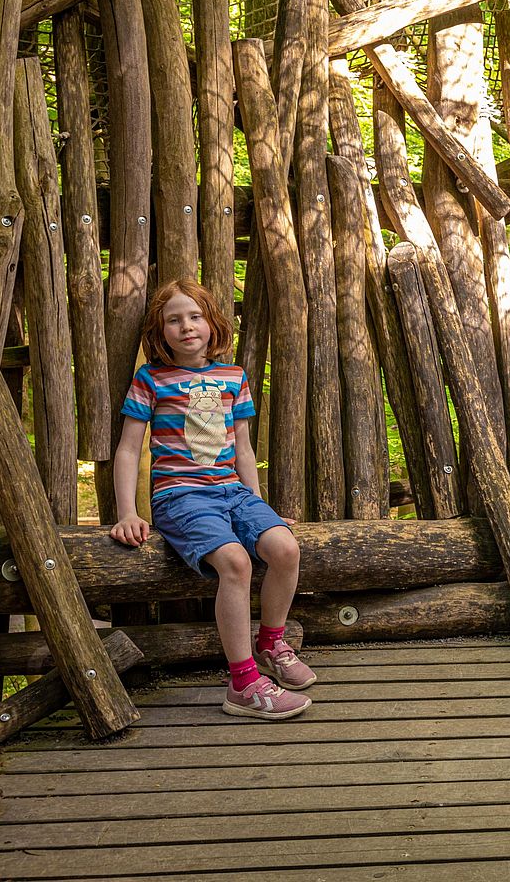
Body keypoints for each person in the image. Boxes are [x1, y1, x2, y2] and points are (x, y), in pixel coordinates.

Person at [108, 279, 315, 720]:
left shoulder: (233, 377)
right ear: (160, 332)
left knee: (285, 549)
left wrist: (259, 510)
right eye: (174, 320)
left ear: (212, 324)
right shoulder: (151, 380)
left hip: (232, 492)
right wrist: (128, 512)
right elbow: (128, 449)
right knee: (236, 563)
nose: (186, 326)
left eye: (195, 316)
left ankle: (271, 644)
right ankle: (243, 683)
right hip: (180, 496)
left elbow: (244, 449)